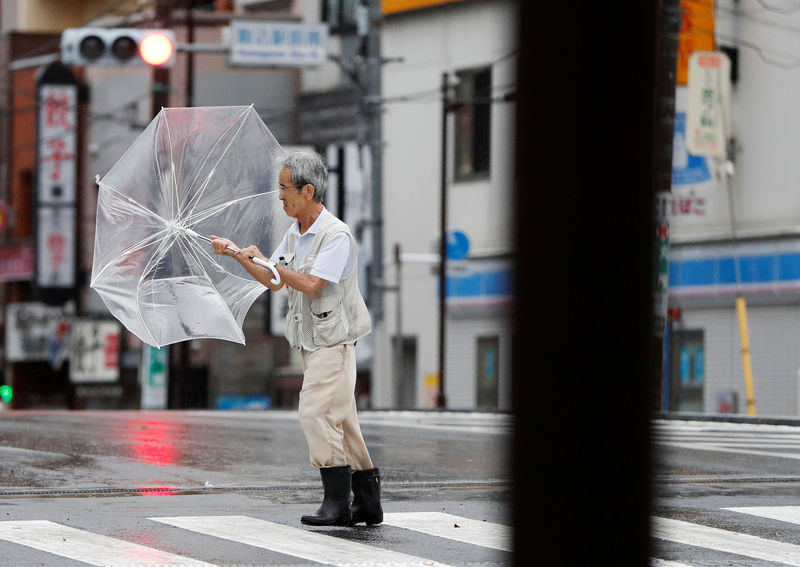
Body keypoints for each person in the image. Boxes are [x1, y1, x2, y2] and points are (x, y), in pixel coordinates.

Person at [211, 151, 383, 527]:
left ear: (308, 190)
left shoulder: (335, 236)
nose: (279, 196)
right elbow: (274, 281)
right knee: (343, 421)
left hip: (332, 343)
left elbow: (310, 283)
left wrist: (276, 266)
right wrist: (239, 255)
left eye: (284, 188)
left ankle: (337, 503)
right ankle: (368, 504)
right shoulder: (295, 233)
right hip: (312, 342)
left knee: (315, 414)